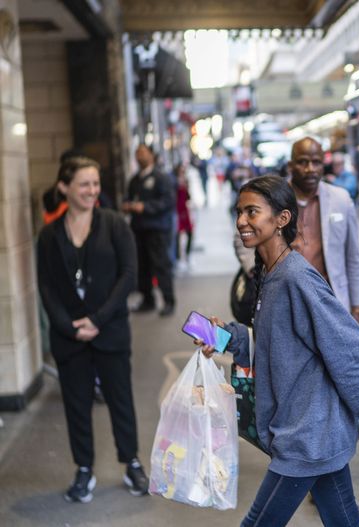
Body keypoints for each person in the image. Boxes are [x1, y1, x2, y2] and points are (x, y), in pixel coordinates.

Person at [199, 175, 359, 526]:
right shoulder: (270, 275)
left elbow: (349, 347)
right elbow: (271, 347)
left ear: (282, 219)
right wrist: (222, 338)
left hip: (307, 434)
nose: (242, 220)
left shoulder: (296, 279)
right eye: (239, 211)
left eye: (252, 212)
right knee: (346, 521)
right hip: (308, 431)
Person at [36, 156, 149, 504]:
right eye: (84, 184)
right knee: (76, 405)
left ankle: (130, 461)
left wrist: (97, 320)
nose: (92, 190)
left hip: (110, 330)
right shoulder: (49, 235)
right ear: (64, 188)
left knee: (121, 401)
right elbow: (47, 287)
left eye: (95, 183)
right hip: (69, 338)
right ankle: (84, 468)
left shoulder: (115, 224)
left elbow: (129, 275)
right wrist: (68, 327)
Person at [288, 137, 359, 323]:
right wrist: (252, 269)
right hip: (288, 304)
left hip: (332, 303)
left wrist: (357, 307)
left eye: (316, 162)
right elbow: (244, 238)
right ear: (291, 165)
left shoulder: (341, 199)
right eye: (302, 162)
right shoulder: (274, 197)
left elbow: (353, 257)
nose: (310, 169)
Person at [122, 144, 176, 316]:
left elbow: (167, 202)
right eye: (137, 153)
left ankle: (168, 300)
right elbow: (128, 198)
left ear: (152, 155)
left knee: (160, 265)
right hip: (138, 230)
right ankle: (148, 299)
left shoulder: (161, 178)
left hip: (157, 229)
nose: (140, 156)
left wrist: (145, 207)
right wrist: (128, 206)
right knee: (142, 266)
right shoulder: (134, 180)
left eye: (143, 153)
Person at [174, 164, 194, 268]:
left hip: (185, 211)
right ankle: (177, 258)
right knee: (177, 235)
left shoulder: (185, 181)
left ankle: (187, 254)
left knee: (189, 232)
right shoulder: (174, 183)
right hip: (177, 211)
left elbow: (188, 197)